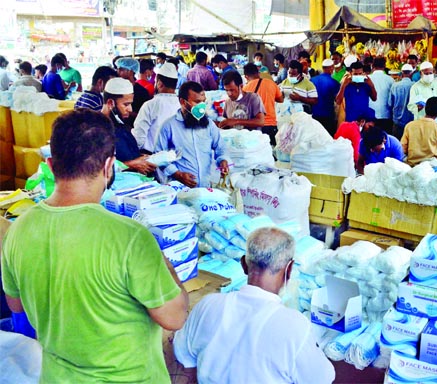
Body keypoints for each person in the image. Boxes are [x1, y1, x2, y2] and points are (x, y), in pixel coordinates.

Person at [1, 108, 188, 382]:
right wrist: (164, 263)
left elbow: (16, 307)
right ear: (108, 166)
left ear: (51, 165)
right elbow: (175, 317)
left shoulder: (18, 230)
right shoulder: (130, 238)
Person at [173, 227, 335, 384]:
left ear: (243, 264)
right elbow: (322, 379)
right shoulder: (295, 326)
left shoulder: (207, 305)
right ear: (289, 269)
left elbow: (183, 355)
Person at [156, 81, 229, 188]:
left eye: (203, 102)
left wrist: (223, 160)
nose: (202, 107)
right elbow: (159, 157)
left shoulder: (209, 124)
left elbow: (220, 147)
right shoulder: (168, 126)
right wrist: (178, 174)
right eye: (197, 102)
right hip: (180, 189)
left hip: (205, 187)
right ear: (183, 102)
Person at [101, 78, 156, 176]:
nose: (130, 109)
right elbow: (95, 169)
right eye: (126, 104)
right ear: (110, 103)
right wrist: (130, 165)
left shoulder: (122, 127)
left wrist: (142, 159)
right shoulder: (94, 129)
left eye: (130, 104)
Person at [131, 63, 181, 153]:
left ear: (159, 83)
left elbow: (139, 139)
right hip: (177, 156)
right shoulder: (183, 105)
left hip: (153, 157)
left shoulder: (150, 105)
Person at [401, 97, 437, 166]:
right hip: (431, 166)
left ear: (425, 108)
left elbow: (403, 149)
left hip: (412, 165)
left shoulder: (409, 126)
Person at [243, 63, 283, 145]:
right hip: (271, 124)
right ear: (258, 73)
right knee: (270, 152)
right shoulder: (271, 83)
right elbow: (280, 99)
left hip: (254, 125)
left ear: (246, 77)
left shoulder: (245, 89)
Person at [116, 57, 151, 126]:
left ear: (130, 71)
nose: (118, 71)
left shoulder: (142, 92)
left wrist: (126, 111)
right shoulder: (117, 89)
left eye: (121, 69)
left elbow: (145, 115)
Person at [310, 58, 340, 136]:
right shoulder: (334, 83)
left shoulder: (312, 80)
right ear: (331, 68)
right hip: (328, 115)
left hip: (314, 114)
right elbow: (338, 100)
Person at [389, 64, 415, 139]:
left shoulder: (395, 85)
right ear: (411, 73)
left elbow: (390, 103)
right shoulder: (414, 85)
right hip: (411, 121)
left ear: (401, 73)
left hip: (397, 120)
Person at [369, 57, 394, 133]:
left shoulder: (367, 79)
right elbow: (392, 99)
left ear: (372, 66)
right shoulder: (390, 79)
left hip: (370, 114)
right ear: (384, 66)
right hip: (385, 114)